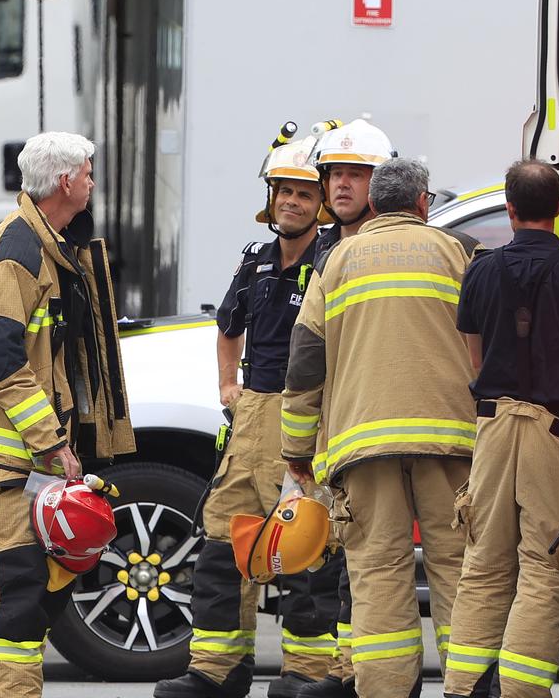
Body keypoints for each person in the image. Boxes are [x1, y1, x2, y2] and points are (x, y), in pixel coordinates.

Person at [282, 158, 479, 698]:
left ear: (373, 205)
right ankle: (468, 688)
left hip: (362, 446)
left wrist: (297, 448)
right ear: (423, 203)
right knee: (458, 570)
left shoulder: (337, 262)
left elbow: (305, 362)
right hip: (449, 442)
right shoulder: (456, 253)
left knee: (376, 574)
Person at [154, 138, 340, 698]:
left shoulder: (333, 259)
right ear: (271, 198)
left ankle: (305, 675)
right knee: (220, 540)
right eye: (284, 192)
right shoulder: (255, 259)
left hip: (307, 413)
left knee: (305, 544)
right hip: (253, 412)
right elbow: (228, 325)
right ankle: (216, 671)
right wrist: (226, 385)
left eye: (305, 194)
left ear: (321, 204)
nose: (292, 202)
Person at [0, 131, 136, 698]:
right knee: (18, 595)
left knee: (20, 593)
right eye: (87, 173)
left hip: (24, 460)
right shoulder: (18, 251)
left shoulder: (48, 243)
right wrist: (52, 442)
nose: (92, 182)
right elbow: (0, 356)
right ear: (64, 181)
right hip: (13, 461)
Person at [442, 160, 559, 698]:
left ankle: (462, 688)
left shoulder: (480, 271)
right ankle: (519, 692)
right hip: (557, 432)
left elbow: (473, 361)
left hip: (494, 429)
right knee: (545, 568)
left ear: (510, 208)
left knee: (483, 564)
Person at [293, 117, 396, 698]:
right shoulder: (327, 249)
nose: (341, 186)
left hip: (389, 428)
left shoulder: (407, 242)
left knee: (378, 559)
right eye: (335, 174)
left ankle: (370, 674)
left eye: (357, 175)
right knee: (348, 558)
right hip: (343, 432)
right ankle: (349, 668)